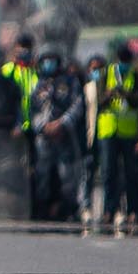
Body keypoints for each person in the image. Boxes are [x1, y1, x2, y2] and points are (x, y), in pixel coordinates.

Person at [29, 52, 83, 222]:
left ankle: (68, 210)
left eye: (52, 60)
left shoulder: (70, 82)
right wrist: (43, 126)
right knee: (42, 175)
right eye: (45, 61)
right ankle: (43, 209)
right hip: (43, 138)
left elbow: (77, 106)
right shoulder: (38, 84)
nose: (49, 64)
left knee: (67, 175)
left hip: (64, 136)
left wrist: (62, 123)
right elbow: (32, 110)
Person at [95, 55, 138, 232]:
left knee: (131, 174)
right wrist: (110, 93)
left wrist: (126, 94)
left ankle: (132, 210)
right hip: (108, 131)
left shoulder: (135, 75)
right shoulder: (106, 74)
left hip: (129, 132)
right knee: (109, 173)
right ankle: (109, 210)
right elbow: (99, 101)